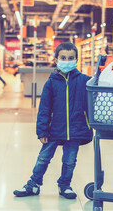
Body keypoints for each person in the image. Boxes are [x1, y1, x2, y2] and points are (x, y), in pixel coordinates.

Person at [13, 42, 93, 199]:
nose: (67, 60)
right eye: (63, 57)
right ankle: (33, 185)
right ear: (56, 59)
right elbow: (44, 108)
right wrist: (42, 130)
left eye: (71, 58)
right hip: (53, 129)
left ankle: (65, 185)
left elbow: (97, 90)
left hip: (76, 129)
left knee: (70, 161)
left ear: (76, 60)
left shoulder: (84, 80)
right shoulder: (51, 83)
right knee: (43, 158)